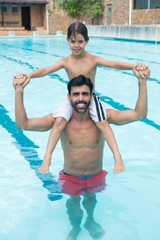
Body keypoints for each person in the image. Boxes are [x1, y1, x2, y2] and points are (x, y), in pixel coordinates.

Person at [13, 68, 149, 240]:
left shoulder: (104, 117)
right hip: (71, 177)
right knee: (73, 202)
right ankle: (75, 226)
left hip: (96, 174)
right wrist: (19, 91)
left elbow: (140, 114)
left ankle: (90, 220)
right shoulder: (59, 120)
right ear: (69, 97)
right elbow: (22, 124)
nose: (80, 98)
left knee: (91, 199)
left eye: (85, 94)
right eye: (76, 94)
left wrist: (142, 82)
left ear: (92, 96)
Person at [14, 22, 148, 175]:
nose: (76, 45)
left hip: (91, 99)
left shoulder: (93, 59)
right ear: (67, 41)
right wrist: (29, 76)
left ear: (87, 41)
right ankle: (47, 157)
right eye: (72, 41)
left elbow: (115, 64)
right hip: (72, 98)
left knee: (102, 122)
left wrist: (133, 67)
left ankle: (117, 156)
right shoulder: (65, 61)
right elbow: (46, 70)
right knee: (59, 121)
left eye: (80, 41)